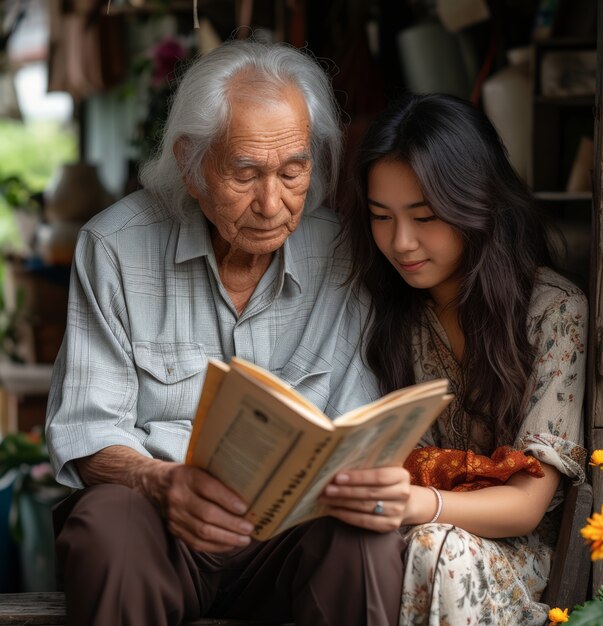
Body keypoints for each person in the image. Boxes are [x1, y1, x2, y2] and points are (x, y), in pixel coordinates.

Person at [45, 40, 411, 626]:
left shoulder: (344, 256)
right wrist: (162, 482)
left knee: (363, 540)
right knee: (105, 524)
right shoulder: (114, 247)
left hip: (290, 538)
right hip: (161, 526)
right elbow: (88, 428)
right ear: (191, 164)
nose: (273, 202)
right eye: (246, 173)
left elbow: (355, 426)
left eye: (294, 171)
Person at [337, 92, 588, 625]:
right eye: (382, 217)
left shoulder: (554, 312)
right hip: (405, 539)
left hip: (512, 557)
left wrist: (421, 508)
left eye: (425, 217)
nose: (401, 242)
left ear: (476, 204)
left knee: (436, 548)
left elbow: (526, 505)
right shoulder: (388, 312)